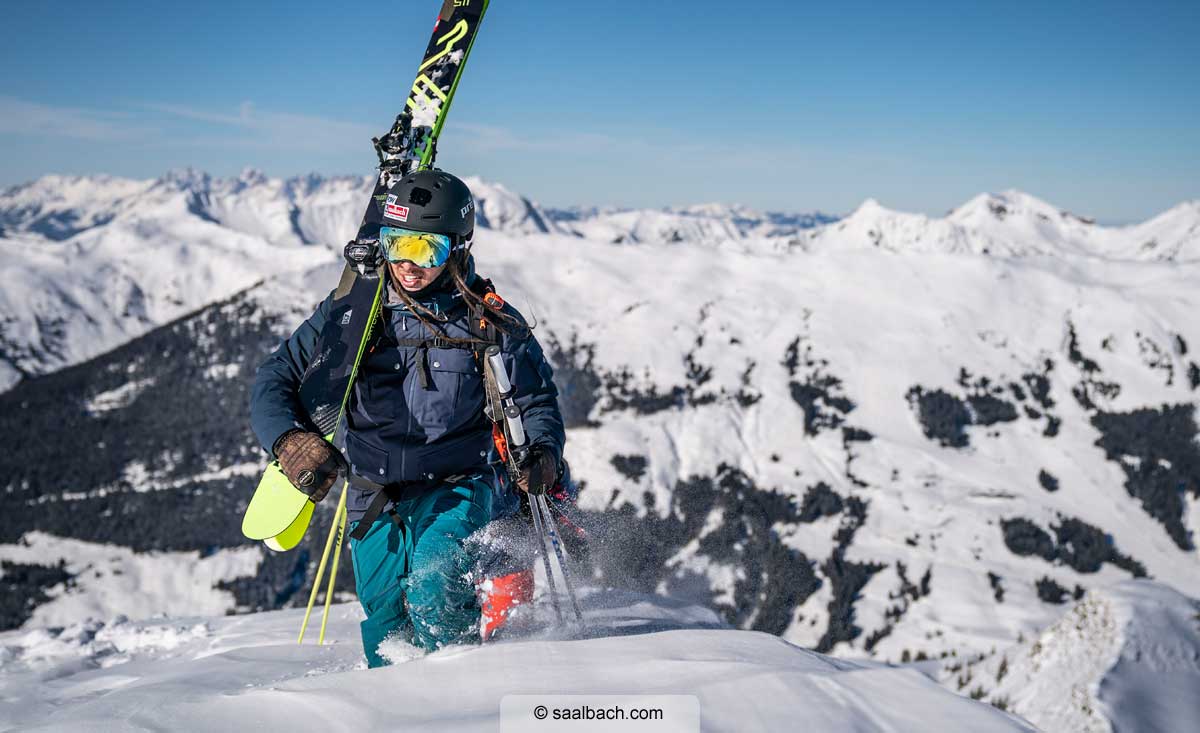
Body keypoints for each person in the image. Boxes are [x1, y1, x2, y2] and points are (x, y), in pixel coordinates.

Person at [249, 169, 565, 667]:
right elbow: (274, 380)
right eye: (397, 244)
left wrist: (543, 453)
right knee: (386, 619)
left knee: (435, 586)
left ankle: (459, 705)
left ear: (457, 248)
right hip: (375, 492)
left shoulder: (490, 322)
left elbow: (535, 401)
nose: (407, 264)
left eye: (426, 250)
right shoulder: (354, 316)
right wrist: (288, 440)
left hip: (461, 481)